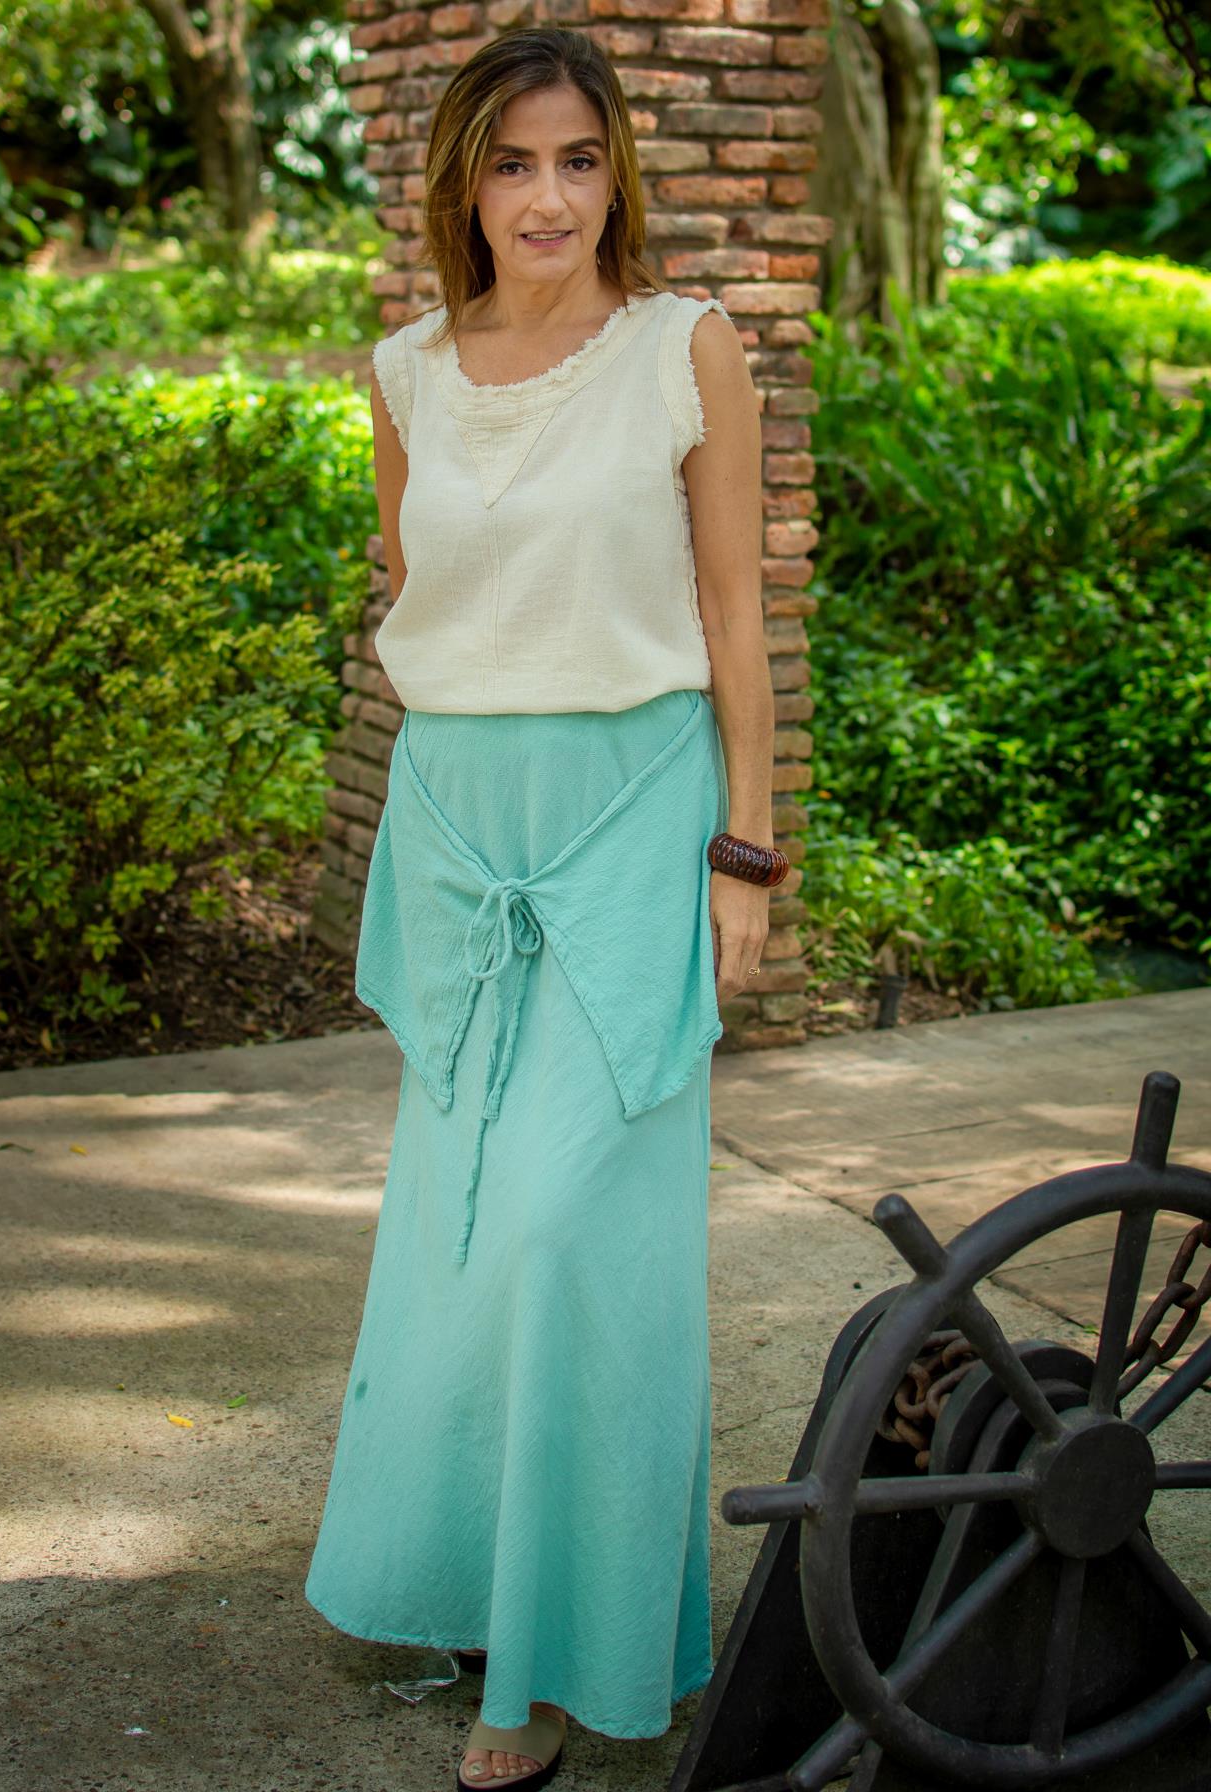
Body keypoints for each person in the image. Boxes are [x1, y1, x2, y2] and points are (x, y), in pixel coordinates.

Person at [304, 22, 779, 1790]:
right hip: (457, 833)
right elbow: (414, 592)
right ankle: (472, 1587)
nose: (550, 197)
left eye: (580, 159)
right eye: (514, 162)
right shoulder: (407, 373)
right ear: (466, 183)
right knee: (465, 1235)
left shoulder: (684, 347)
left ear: (618, 174)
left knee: (583, 1232)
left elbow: (735, 615)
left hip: (632, 822)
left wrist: (747, 851)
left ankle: (558, 1666)